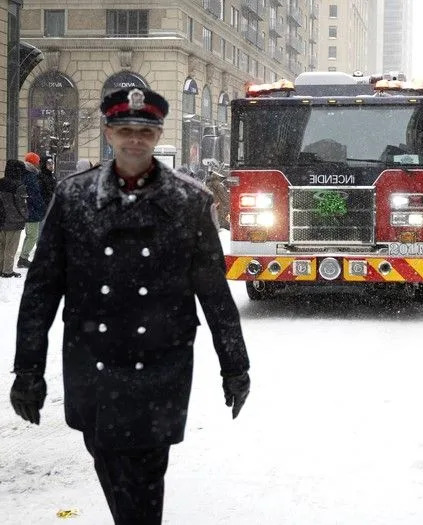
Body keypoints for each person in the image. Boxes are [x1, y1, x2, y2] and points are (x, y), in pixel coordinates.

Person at [9, 87, 251, 525]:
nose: (134, 139)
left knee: (147, 472)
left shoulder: (190, 202)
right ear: (108, 132)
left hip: (161, 363)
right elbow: (42, 288)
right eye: (125, 130)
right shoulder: (72, 197)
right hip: (93, 360)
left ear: (157, 137)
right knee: (107, 461)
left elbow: (214, 293)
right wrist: (28, 369)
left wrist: (235, 365)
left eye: (144, 130)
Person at [16, 152, 46, 268]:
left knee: (29, 235)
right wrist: (42, 206)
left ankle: (23, 258)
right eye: (37, 161)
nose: (39, 164)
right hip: (32, 210)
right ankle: (23, 258)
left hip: (27, 208)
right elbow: (35, 194)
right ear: (34, 162)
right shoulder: (31, 176)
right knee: (33, 235)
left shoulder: (24, 174)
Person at [0, 159, 28, 278]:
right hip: (14, 221)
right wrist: (25, 216)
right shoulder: (19, 185)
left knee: (1, 246)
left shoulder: (0, 182)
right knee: (11, 247)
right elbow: (21, 205)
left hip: (1, 219)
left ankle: (1, 268)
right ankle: (7, 271)